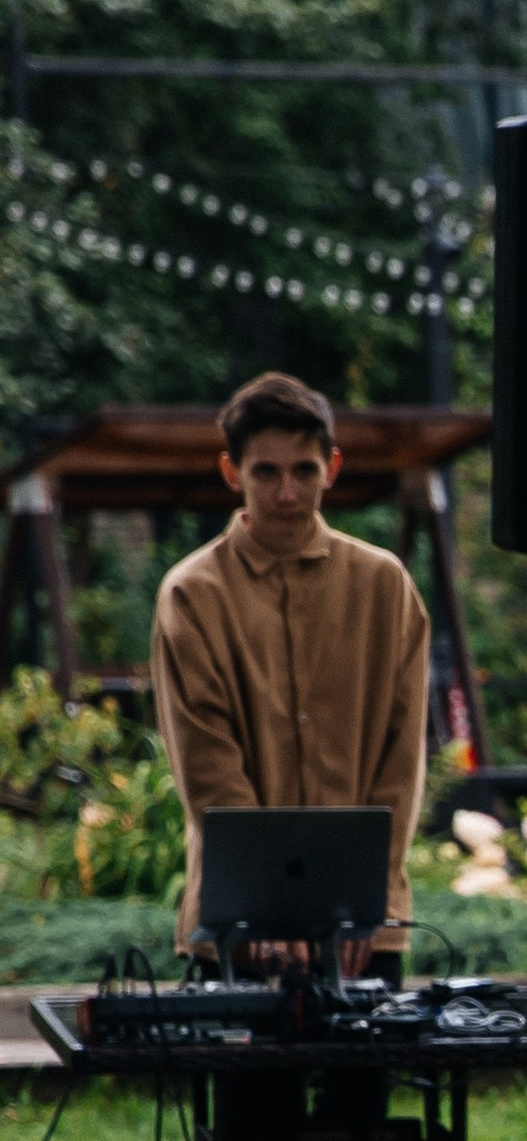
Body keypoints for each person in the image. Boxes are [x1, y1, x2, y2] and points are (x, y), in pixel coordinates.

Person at [150, 371, 431, 954]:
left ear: (332, 467)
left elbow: (402, 760)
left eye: (304, 470)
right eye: (266, 472)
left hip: (365, 933)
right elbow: (208, 769)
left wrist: (364, 900)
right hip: (237, 931)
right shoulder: (192, 594)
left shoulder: (384, 586)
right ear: (232, 472)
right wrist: (266, 906)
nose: (286, 493)